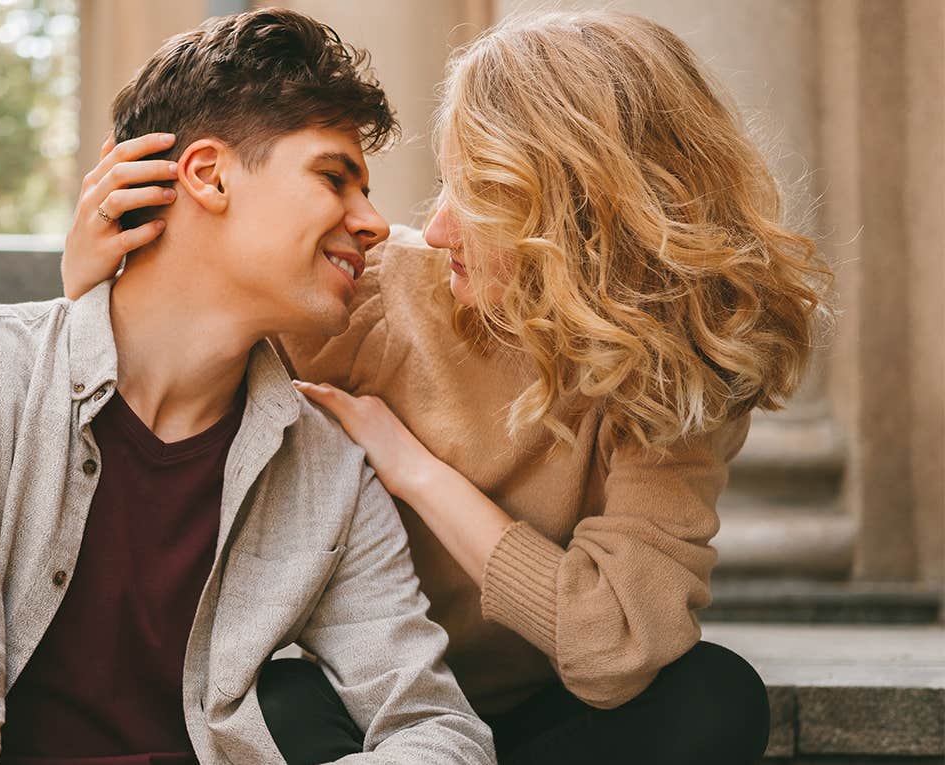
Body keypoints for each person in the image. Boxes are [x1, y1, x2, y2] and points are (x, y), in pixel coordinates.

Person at [63, 10, 830, 765]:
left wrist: (419, 472)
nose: (433, 228)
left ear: (578, 212)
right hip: (369, 704)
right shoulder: (369, 291)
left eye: (480, 192)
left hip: (543, 711)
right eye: (444, 184)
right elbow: (160, 377)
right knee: (264, 701)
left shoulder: (680, 369)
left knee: (714, 697)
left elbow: (615, 646)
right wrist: (92, 289)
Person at [0, 8, 496, 765]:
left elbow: (439, 730)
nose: (375, 222)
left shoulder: (328, 474)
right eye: (332, 176)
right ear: (208, 174)